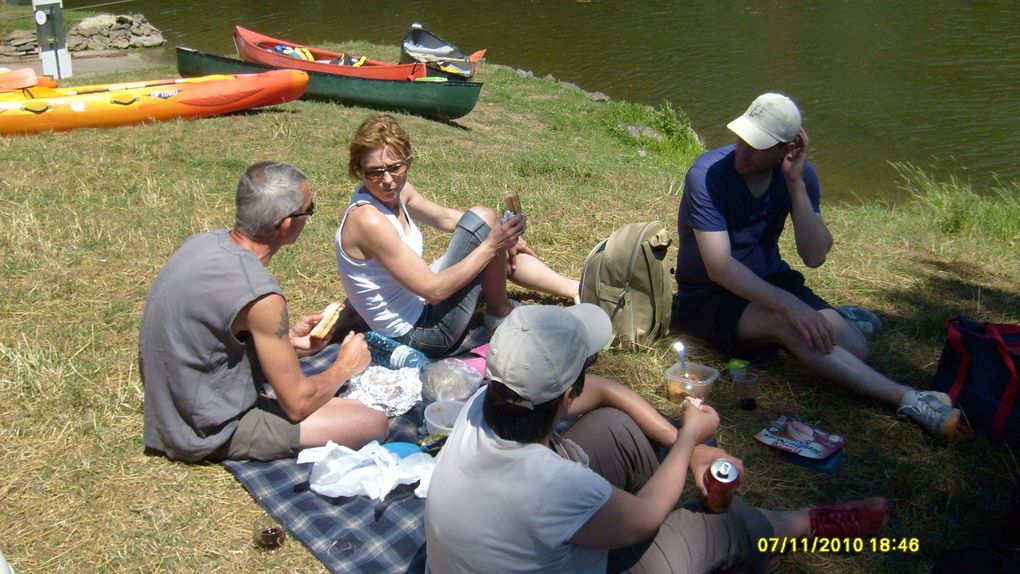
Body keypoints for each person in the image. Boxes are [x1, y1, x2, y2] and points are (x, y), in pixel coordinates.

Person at [425, 304, 889, 573]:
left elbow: (605, 392)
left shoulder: (481, 407)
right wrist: (689, 440)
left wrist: (682, 443)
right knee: (714, 527)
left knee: (619, 428)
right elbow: (646, 518)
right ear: (567, 394)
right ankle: (801, 526)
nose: (593, 374)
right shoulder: (557, 485)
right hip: (584, 525)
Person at [672, 92, 960, 440]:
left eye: (758, 145)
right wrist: (791, 307)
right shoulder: (706, 175)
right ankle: (910, 399)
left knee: (857, 350)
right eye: (742, 137)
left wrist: (795, 184)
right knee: (788, 323)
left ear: (787, 148)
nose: (743, 150)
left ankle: (836, 319)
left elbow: (815, 255)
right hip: (710, 297)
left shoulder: (800, 176)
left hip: (770, 280)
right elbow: (719, 266)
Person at [140, 162, 388, 463]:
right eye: (309, 210)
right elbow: (297, 403)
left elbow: (212, 340)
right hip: (205, 429)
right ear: (286, 224)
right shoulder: (261, 295)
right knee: (372, 422)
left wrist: (290, 343)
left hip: (173, 406)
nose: (309, 218)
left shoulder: (199, 244)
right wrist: (345, 367)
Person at [335, 114, 579, 358]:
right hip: (422, 335)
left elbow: (445, 218)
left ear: (407, 160)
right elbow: (434, 291)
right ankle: (500, 312)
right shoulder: (369, 220)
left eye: (395, 167)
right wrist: (492, 244)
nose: (387, 180)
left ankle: (575, 289)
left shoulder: (397, 192)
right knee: (486, 232)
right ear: (359, 171)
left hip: (418, 298)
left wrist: (497, 232)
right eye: (374, 172)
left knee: (486, 221)